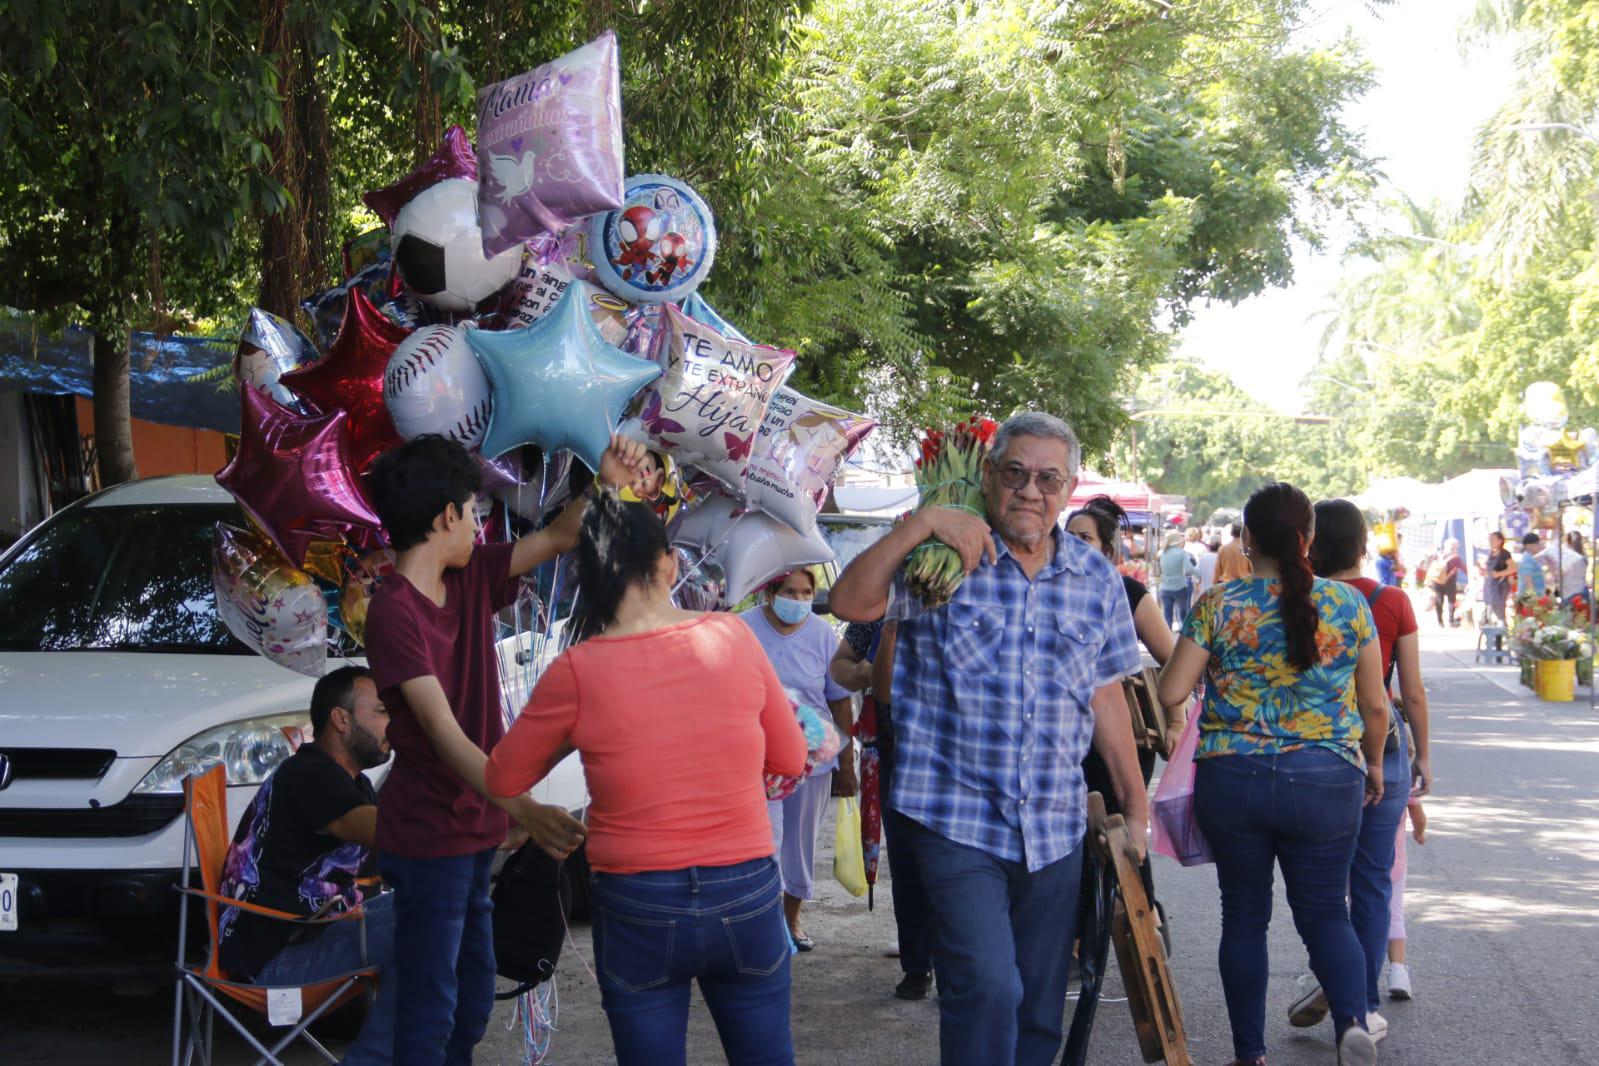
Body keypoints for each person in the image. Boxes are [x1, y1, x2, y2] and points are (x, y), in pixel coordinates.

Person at [830, 412, 1148, 1066]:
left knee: (1036, 1004)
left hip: (1053, 827)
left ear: (1070, 487)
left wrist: (1136, 808)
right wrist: (920, 524)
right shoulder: (939, 564)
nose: (1030, 490)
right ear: (986, 475)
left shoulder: (1095, 581)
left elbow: (1107, 696)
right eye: (1015, 473)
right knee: (986, 987)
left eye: (1048, 478)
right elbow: (849, 603)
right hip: (954, 820)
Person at [485, 492, 807, 1066]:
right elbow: (789, 758)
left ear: (589, 575)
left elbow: (503, 774)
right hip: (746, 887)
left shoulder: (578, 670)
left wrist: (566, 759)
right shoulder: (732, 637)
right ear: (670, 565)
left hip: (638, 900)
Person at [362, 432, 645, 1066]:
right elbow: (444, 736)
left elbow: (561, 535)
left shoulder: (468, 578)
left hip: (474, 829)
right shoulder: (393, 611)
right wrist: (524, 809)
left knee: (469, 1002)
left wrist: (606, 482)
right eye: (474, 509)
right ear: (447, 517)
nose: (480, 524)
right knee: (429, 1006)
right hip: (427, 835)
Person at [1156, 482, 1389, 1066]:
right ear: (1307, 539)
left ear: (1247, 538)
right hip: (1326, 777)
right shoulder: (1346, 604)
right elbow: (1375, 707)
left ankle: (1249, 1054)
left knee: (1243, 915)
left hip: (1232, 778)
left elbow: (1172, 689)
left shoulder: (1218, 604)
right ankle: (1352, 1021)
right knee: (1326, 912)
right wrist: (1377, 765)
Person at [1288, 499, 1434, 1046]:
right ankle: (1365, 1006)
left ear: (1311, 545)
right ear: (1364, 545)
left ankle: (1333, 978)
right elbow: (1412, 690)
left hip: (1319, 741)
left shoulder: (1302, 600)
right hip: (1386, 743)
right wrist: (1424, 755)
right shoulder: (1391, 600)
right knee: (1373, 881)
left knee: (1321, 885)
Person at [218, 666, 395, 1065]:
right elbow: (391, 834)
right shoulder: (311, 775)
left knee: (434, 908)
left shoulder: (351, 782)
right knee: (424, 927)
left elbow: (393, 858)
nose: (393, 723)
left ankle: (396, 1050)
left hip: (313, 932)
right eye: (382, 711)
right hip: (274, 962)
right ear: (341, 718)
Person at [740, 568, 855, 951]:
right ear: (770, 593)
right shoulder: (742, 629)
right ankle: (759, 921)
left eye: (807, 593)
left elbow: (839, 699)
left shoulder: (823, 634)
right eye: (792, 592)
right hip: (753, 762)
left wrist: (845, 763)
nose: (800, 601)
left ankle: (791, 920)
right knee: (758, 842)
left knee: (799, 842)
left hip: (813, 762)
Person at [831, 620, 939, 1000]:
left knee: (957, 859)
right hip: (896, 750)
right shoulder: (877, 607)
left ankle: (958, 962)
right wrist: (864, 672)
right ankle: (917, 963)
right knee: (909, 861)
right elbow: (839, 665)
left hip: (956, 750)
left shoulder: (968, 591)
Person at [1386, 798, 1427, 1000]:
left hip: (1357, 861)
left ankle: (1357, 973)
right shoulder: (1400, 776)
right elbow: (1417, 813)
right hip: (1394, 862)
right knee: (1394, 915)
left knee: (1359, 912)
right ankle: (1397, 972)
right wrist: (1419, 832)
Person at [1158, 530, 1201, 629]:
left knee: (1167, 615)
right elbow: (1189, 568)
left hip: (1164, 587)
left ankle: (1167, 639)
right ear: (1178, 542)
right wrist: (1199, 574)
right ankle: (1183, 638)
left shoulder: (1162, 553)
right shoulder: (1182, 553)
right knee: (1183, 614)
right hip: (1179, 586)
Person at [1541, 530, 1590, 607]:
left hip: (1570, 594)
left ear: (1568, 542)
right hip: (1582, 590)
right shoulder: (1583, 556)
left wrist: (1549, 565)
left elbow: (1559, 575)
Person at [1424, 540, 1466, 627]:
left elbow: (1428, 565)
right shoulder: (1455, 558)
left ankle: (1440, 621)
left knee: (1439, 600)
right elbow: (1464, 569)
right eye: (1456, 547)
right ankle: (1451, 620)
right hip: (1450, 581)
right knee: (1451, 600)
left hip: (1437, 580)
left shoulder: (1438, 555)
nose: (1457, 549)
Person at [1480, 531, 1515, 624]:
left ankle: (1503, 630)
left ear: (1500, 541)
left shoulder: (1505, 553)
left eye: (1493, 540)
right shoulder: (1490, 553)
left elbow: (1513, 568)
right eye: (1489, 540)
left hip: (1500, 586)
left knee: (1499, 610)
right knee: (1489, 608)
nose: (1490, 542)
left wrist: (1499, 573)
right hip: (1489, 585)